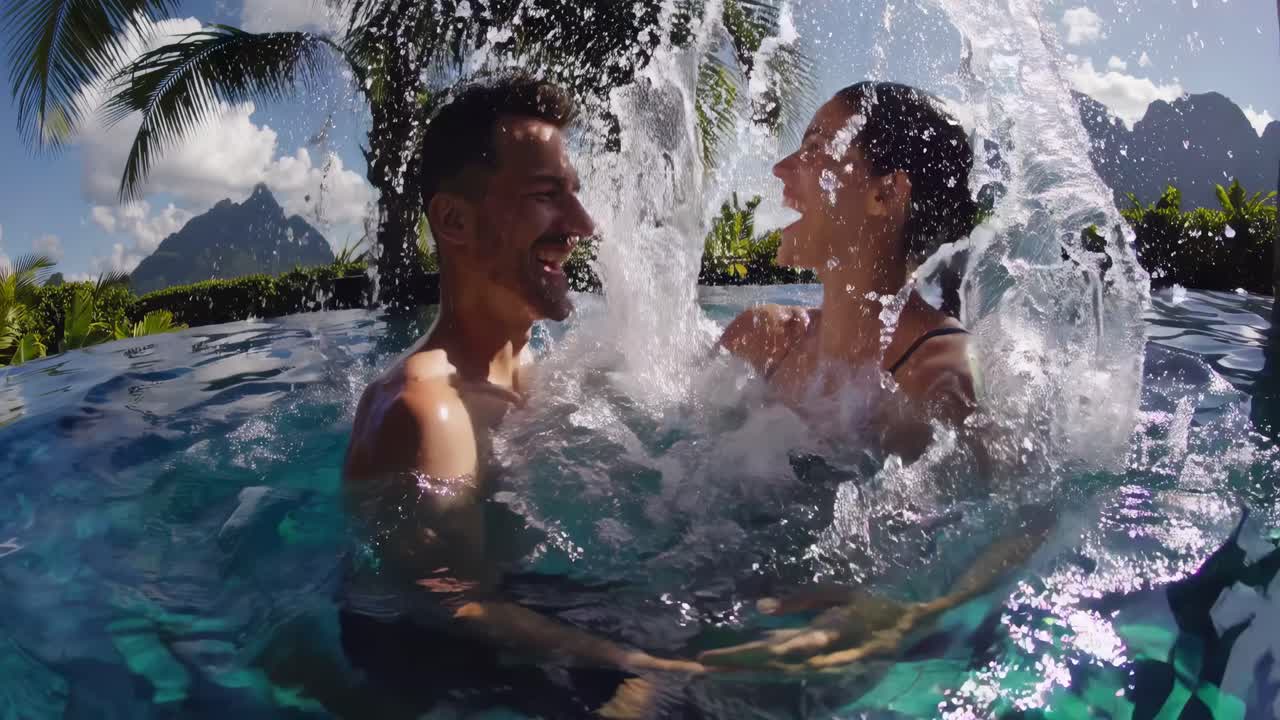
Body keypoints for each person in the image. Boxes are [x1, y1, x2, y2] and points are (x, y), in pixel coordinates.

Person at [341, 74, 701, 715]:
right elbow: (450, 606)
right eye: (545, 196)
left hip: (530, 608)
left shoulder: (537, 370)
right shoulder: (431, 411)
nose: (582, 225)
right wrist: (646, 666)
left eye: (576, 196)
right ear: (453, 218)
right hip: (430, 666)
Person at [703, 82, 1052, 671]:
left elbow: (1031, 512)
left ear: (886, 194)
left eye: (815, 146)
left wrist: (910, 610)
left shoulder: (939, 374)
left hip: (837, 646)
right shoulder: (759, 339)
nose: (783, 167)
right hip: (719, 599)